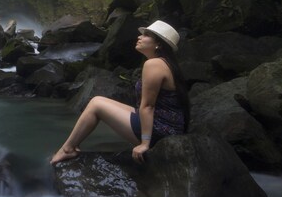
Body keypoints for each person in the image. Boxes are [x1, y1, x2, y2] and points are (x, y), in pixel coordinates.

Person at [49, 20, 190, 164]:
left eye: (146, 35)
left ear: (158, 44)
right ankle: (69, 147)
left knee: (96, 105)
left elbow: (148, 106)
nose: (139, 37)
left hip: (161, 131)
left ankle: (68, 149)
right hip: (168, 126)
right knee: (98, 100)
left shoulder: (154, 64)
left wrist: (144, 144)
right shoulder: (164, 63)